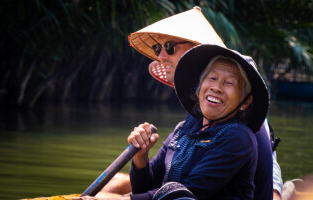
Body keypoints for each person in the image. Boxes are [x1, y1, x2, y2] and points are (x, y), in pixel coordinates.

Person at [100, 6, 282, 199]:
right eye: (157, 48)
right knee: (115, 183)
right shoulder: (189, 126)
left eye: (169, 47)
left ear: (197, 50)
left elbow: (186, 192)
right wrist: (140, 156)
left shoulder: (238, 131)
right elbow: (150, 186)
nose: (161, 56)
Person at [123, 44, 268, 199]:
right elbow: (144, 189)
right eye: (212, 78)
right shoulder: (183, 130)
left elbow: (183, 195)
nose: (216, 87)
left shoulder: (238, 136)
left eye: (229, 83)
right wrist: (140, 156)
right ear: (200, 86)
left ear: (245, 102)